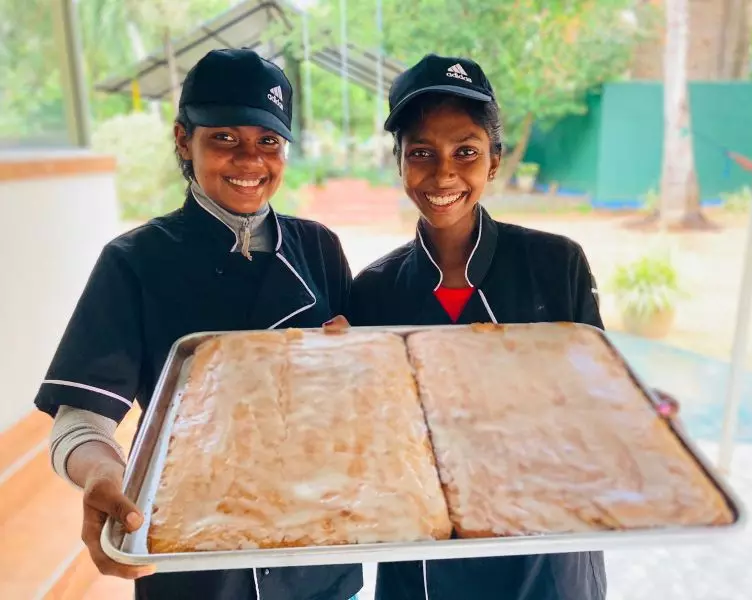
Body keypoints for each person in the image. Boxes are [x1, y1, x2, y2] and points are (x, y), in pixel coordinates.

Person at [35, 48, 362, 600]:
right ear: (185, 140)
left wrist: (355, 373)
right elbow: (81, 422)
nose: (250, 160)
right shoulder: (135, 260)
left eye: (268, 142)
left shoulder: (319, 248)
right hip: (196, 556)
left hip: (315, 554)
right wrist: (101, 476)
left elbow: (359, 400)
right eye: (225, 139)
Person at [347, 53, 609, 600]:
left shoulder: (556, 264)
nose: (443, 172)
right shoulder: (374, 290)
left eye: (465, 151)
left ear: (493, 161)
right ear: (398, 163)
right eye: (421, 152)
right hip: (425, 556)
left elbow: (599, 402)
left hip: (545, 549)